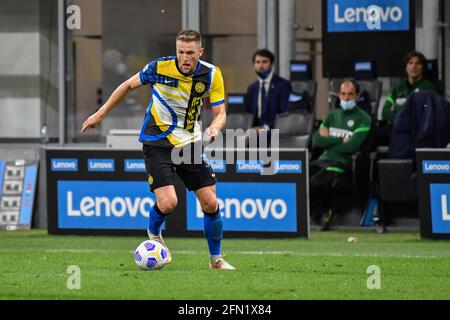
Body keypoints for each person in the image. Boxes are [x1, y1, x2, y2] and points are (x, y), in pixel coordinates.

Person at [81, 29, 235, 270]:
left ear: (200, 52)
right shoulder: (159, 67)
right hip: (158, 142)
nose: (185, 58)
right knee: (168, 203)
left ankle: (216, 260)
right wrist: (100, 113)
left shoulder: (212, 75)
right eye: (181, 52)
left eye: (190, 53)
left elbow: (220, 113)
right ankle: (153, 233)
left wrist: (215, 128)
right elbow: (128, 85)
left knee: (211, 203)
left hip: (189, 144)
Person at [310, 80, 372, 231]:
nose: (346, 98)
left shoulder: (364, 118)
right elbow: (317, 141)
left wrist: (328, 139)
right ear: (338, 95)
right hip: (321, 161)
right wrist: (340, 139)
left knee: (316, 182)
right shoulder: (332, 116)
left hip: (341, 163)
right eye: (343, 94)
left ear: (357, 96)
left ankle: (324, 213)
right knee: (299, 177)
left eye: (350, 94)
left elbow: (352, 146)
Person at [381, 51, 438, 125]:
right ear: (406, 67)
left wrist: (396, 109)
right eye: (410, 63)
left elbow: (426, 113)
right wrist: (404, 118)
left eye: (417, 63)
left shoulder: (429, 88)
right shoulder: (397, 88)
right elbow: (385, 113)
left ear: (423, 68)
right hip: (398, 130)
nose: (414, 66)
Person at [245, 49, 291, 132]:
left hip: (274, 131)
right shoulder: (252, 88)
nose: (261, 66)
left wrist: (264, 128)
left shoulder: (282, 85)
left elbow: (284, 113)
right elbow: (248, 113)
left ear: (271, 64)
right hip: (254, 132)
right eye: (257, 62)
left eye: (264, 62)